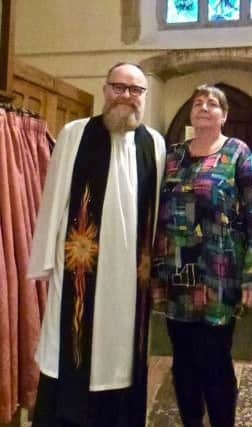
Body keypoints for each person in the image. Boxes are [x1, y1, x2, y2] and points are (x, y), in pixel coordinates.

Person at [27, 62, 165, 427]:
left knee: (123, 357)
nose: (127, 97)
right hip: (80, 269)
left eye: (136, 90)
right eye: (119, 87)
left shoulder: (154, 143)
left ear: (144, 97)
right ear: (105, 90)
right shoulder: (75, 134)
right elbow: (54, 196)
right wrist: (43, 260)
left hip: (131, 278)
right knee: (72, 349)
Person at [151, 84, 252, 427]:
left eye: (211, 104)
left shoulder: (237, 153)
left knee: (215, 358)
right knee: (182, 359)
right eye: (197, 102)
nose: (203, 107)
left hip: (219, 273)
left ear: (224, 115)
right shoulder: (171, 155)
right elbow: (155, 214)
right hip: (176, 273)